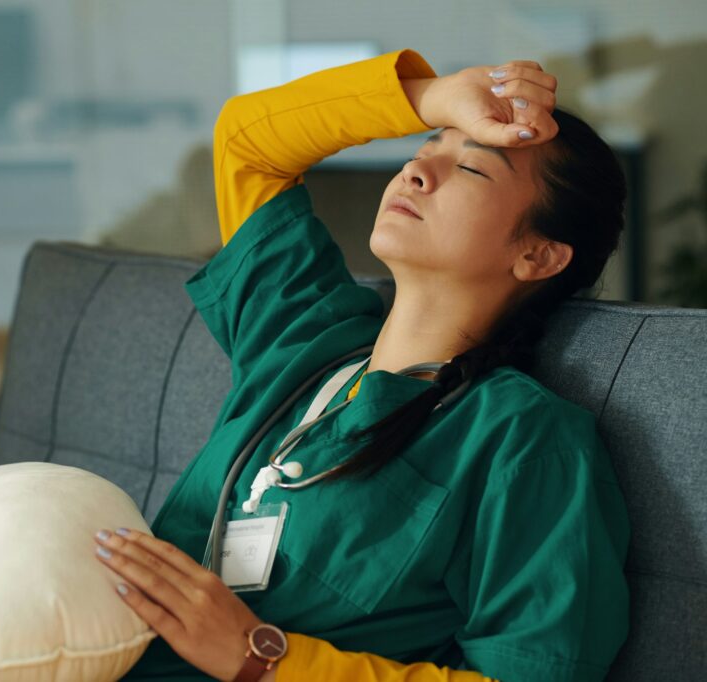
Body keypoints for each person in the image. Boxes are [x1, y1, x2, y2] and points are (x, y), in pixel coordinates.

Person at [91, 48, 631, 681]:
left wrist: (264, 660)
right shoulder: (303, 338)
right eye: (424, 148)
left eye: (472, 169)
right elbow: (248, 141)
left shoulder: (524, 439)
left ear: (538, 256)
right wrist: (433, 97)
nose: (417, 171)